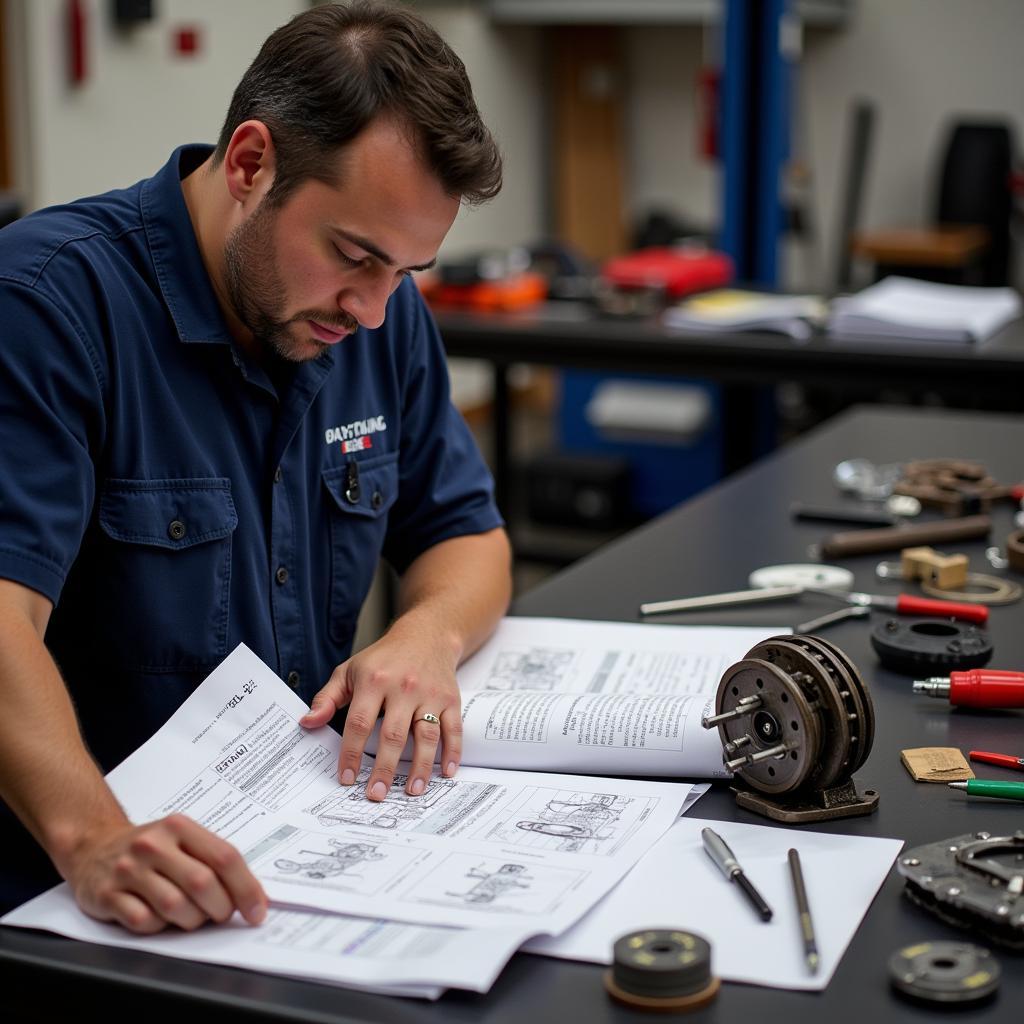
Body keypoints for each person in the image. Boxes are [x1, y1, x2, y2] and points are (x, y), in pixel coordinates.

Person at [0, 0, 511, 934]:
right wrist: (93, 838)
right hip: (72, 887)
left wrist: (423, 636)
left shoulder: (378, 316)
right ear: (249, 163)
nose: (369, 309)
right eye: (353, 255)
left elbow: (467, 535)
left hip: (294, 844)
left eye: (407, 270)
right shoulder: (45, 307)